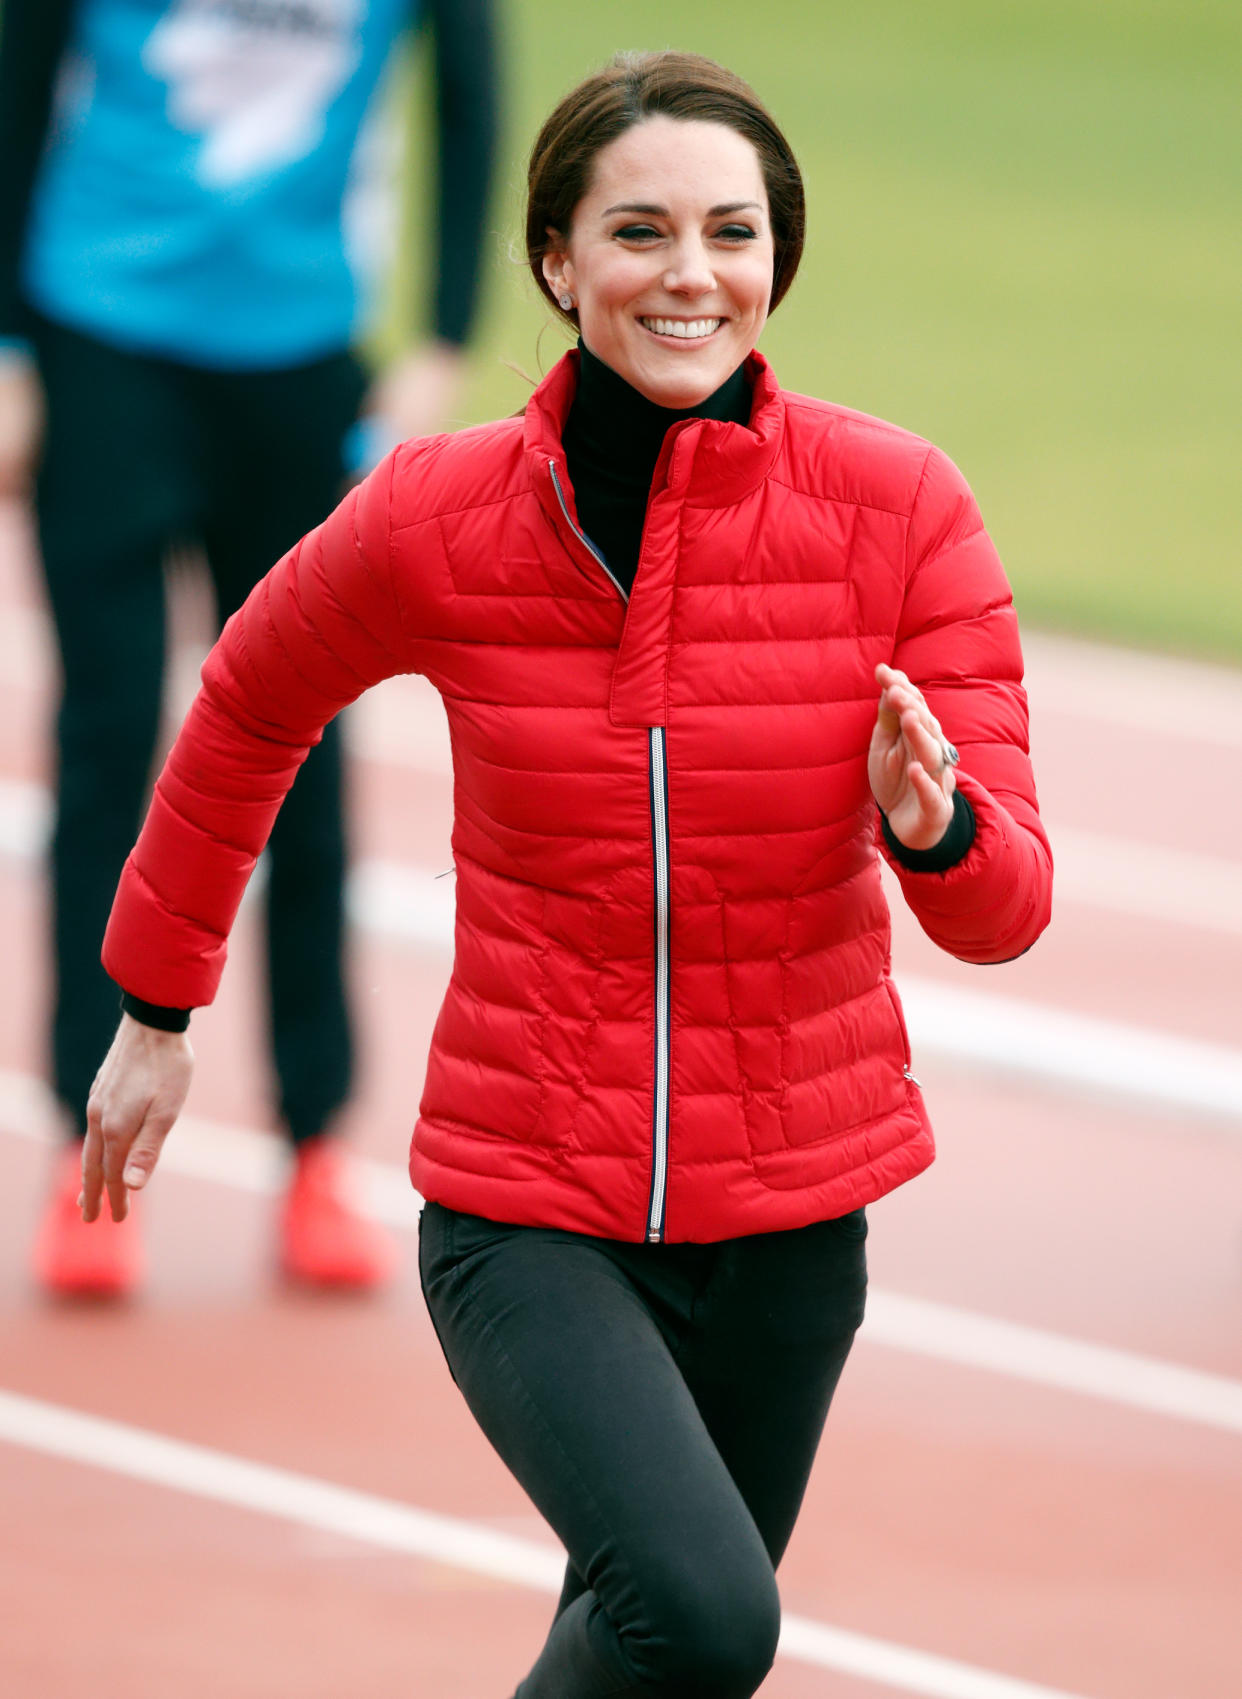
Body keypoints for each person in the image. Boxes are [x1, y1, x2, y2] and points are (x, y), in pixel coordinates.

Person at [80, 50, 1051, 1697]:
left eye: (731, 234)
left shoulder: (895, 507)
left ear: (776, 263)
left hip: (796, 1215)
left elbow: (1006, 908)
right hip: (529, 1205)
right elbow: (246, 701)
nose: (691, 275)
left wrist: (929, 824)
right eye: (641, 230)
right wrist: (156, 1007)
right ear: (556, 259)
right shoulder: (438, 516)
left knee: (642, 1649)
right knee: (703, 1616)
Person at [0, 0, 499, 1296]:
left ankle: (315, 1144)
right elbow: (15, 73)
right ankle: (83, 1143)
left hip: (297, 361)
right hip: (97, 335)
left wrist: (440, 342)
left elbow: (468, 95)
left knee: (309, 757)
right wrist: (4, 347)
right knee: (108, 736)